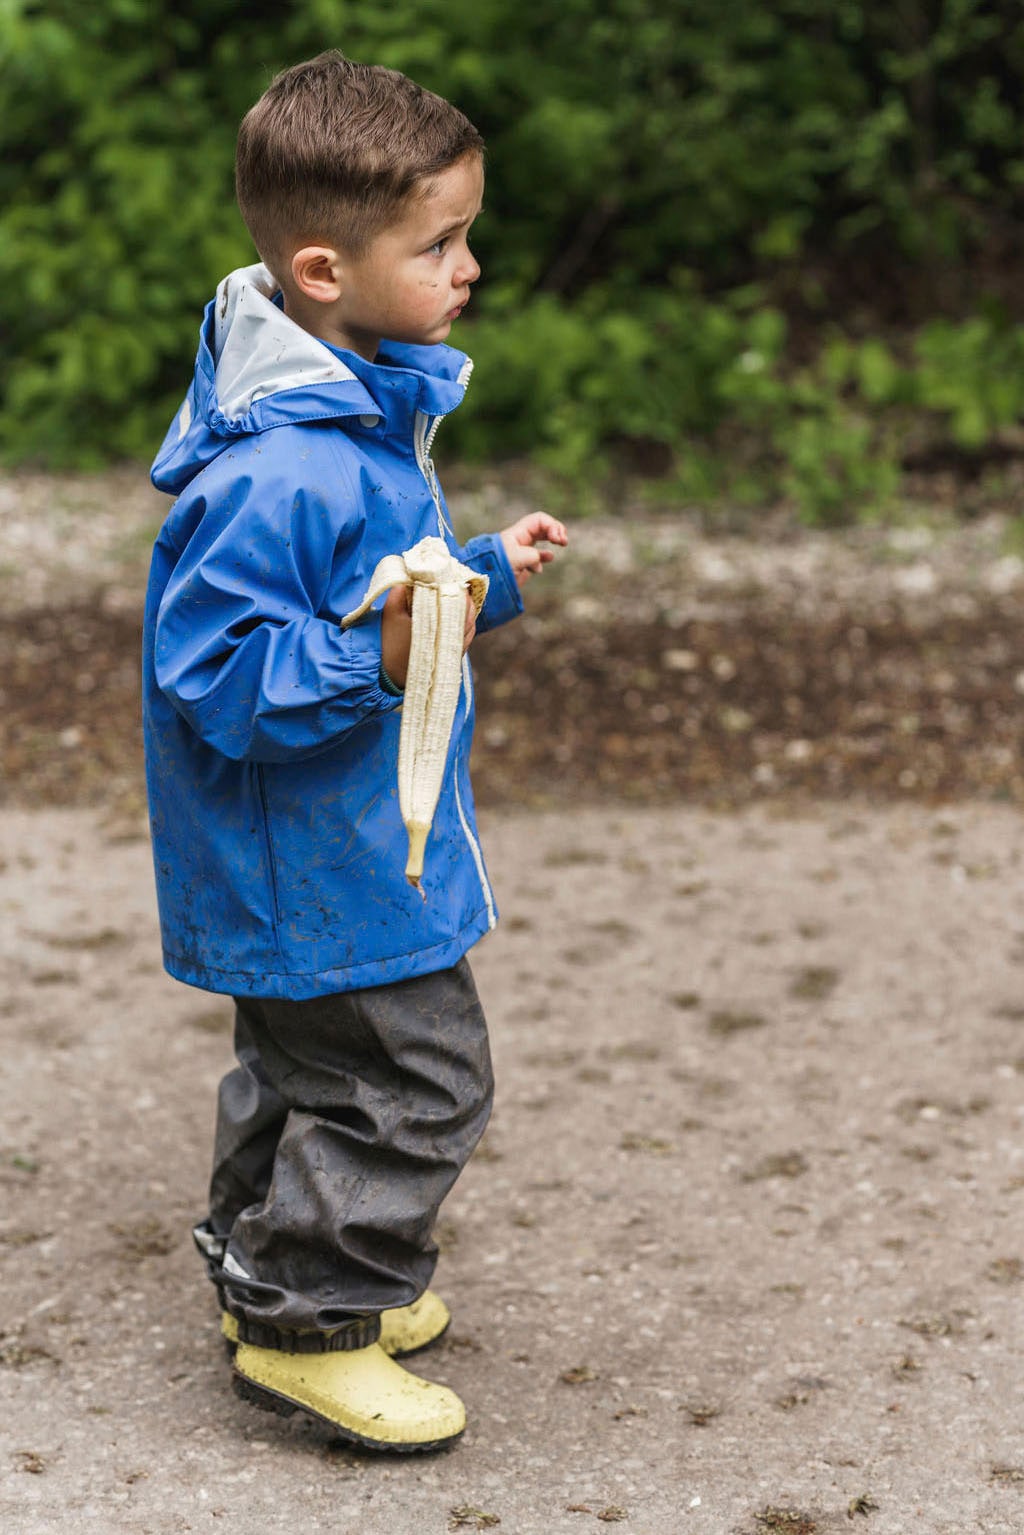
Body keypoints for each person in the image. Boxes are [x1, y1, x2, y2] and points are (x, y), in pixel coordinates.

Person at [141, 50, 567, 1453]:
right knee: (421, 1081)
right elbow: (221, 676)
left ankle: (260, 1260)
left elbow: (387, 586)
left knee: (303, 1068)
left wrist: (482, 575)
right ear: (322, 269)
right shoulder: (278, 467)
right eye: (439, 243)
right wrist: (387, 652)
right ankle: (312, 1318)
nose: (471, 267)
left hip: (326, 854)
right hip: (314, 861)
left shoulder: (356, 402)